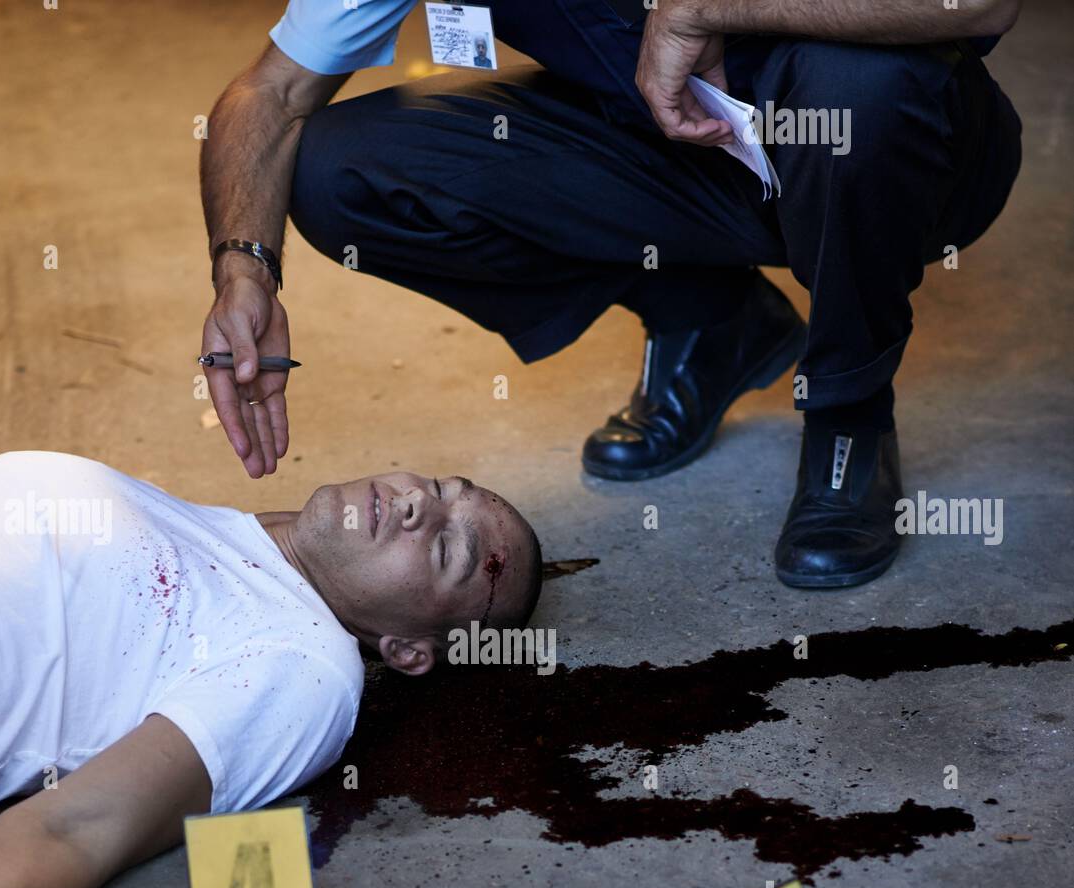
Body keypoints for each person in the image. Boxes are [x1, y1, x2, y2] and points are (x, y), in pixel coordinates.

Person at [200, 0, 1021, 588]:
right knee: (339, 169)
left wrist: (697, 10)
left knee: (857, 85)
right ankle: (709, 321)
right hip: (683, 147)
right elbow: (269, 94)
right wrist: (243, 268)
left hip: (895, 154)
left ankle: (850, 412)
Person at [0, 451, 541, 888]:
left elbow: (72, 832)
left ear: (406, 650)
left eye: (442, 549)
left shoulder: (304, 667)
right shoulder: (225, 533)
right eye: (436, 486)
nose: (415, 505)